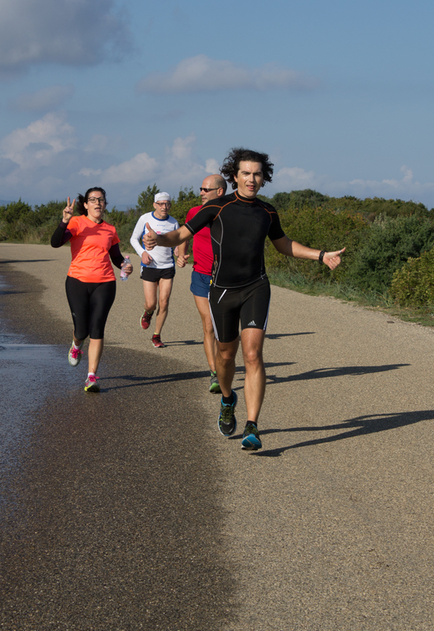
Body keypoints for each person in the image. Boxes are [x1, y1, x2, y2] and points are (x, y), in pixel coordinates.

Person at [143, 147, 345, 452]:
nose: (252, 179)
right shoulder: (216, 207)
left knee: (252, 355)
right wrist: (158, 239)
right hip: (221, 290)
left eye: (258, 174)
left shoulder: (267, 212)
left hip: (256, 286)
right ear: (234, 176)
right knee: (226, 357)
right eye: (246, 173)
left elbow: (283, 244)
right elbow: (179, 236)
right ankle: (227, 399)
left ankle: (252, 426)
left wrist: (319, 255)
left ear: (264, 178)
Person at [50, 186, 133, 392]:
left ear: (105, 204)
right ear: (85, 205)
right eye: (93, 199)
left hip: (105, 283)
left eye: (101, 199)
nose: (98, 203)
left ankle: (91, 377)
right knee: (82, 330)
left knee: (97, 328)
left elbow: (116, 257)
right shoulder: (77, 222)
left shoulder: (110, 229)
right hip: (77, 281)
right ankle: (77, 345)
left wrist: (125, 265)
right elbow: (55, 243)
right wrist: (64, 220)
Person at [176, 175, 227, 393]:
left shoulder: (229, 213)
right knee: (208, 323)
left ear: (220, 192)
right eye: (201, 189)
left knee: (223, 330)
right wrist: (182, 253)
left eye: (206, 189)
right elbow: (184, 235)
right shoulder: (194, 212)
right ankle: (214, 373)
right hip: (200, 275)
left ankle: (224, 364)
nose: (201, 193)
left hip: (225, 278)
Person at [130, 192, 179, 348]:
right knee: (151, 303)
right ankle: (148, 313)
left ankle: (156, 335)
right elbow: (133, 239)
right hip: (150, 266)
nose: (164, 207)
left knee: (164, 302)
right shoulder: (145, 219)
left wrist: (178, 249)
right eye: (161, 204)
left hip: (167, 266)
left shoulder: (174, 223)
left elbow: (179, 240)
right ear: (155, 205)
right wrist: (143, 253)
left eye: (167, 204)